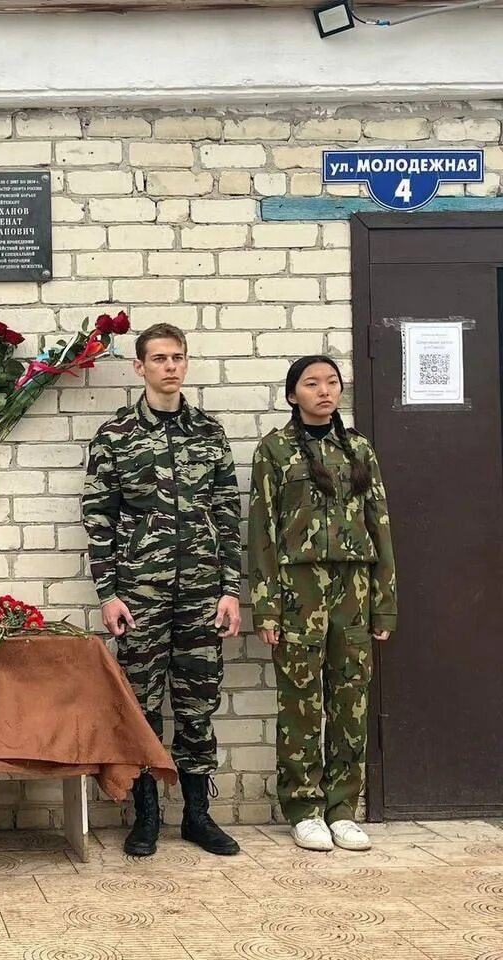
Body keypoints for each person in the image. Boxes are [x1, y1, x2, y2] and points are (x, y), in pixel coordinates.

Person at [82, 323, 242, 858]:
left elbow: (227, 515)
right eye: (159, 358)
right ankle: (146, 817)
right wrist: (109, 592)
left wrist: (230, 590)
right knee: (142, 707)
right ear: (140, 367)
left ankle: (198, 816)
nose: (170, 366)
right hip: (140, 597)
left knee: (197, 707)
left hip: (202, 594)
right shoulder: (116, 435)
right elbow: (98, 517)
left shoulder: (210, 434)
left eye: (178, 357)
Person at [247, 356, 397, 853]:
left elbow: (381, 527)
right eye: (312, 384)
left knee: (351, 700)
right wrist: (266, 607)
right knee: (301, 703)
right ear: (293, 395)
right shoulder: (274, 450)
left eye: (332, 382)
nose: (324, 391)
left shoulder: (358, 449)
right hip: (298, 592)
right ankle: (304, 807)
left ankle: (342, 809)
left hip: (352, 592)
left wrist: (384, 604)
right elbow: (262, 533)